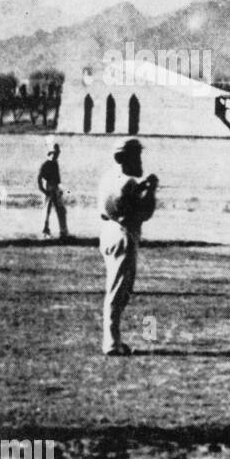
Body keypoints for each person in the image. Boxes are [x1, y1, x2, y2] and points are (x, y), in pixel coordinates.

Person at [97, 139, 158, 356]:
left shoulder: (109, 178)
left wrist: (142, 186)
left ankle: (114, 340)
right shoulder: (127, 183)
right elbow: (144, 213)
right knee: (118, 291)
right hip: (123, 234)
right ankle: (111, 342)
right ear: (123, 159)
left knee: (118, 289)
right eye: (135, 156)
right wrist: (151, 191)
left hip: (109, 232)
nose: (139, 160)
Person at [37, 143, 69, 240]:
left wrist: (59, 190)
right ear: (51, 153)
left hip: (54, 188)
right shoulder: (47, 164)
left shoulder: (54, 163)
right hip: (49, 188)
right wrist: (44, 190)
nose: (57, 155)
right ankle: (45, 231)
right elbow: (40, 178)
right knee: (47, 211)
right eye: (56, 153)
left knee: (60, 210)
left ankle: (63, 232)